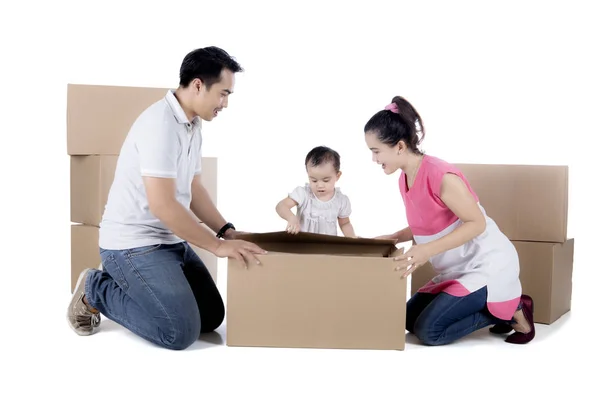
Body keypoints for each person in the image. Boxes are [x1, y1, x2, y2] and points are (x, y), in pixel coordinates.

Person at [67, 46, 266, 350]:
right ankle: (96, 289)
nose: (225, 104)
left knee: (211, 317)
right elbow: (163, 205)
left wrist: (226, 231)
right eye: (223, 93)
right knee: (178, 332)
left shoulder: (192, 125)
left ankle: (133, 288)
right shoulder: (160, 124)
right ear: (198, 85)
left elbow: (194, 189)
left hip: (169, 242)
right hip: (132, 245)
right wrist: (217, 246)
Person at [365, 96, 535, 345]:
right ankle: (499, 305)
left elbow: (476, 223)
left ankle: (513, 309)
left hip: (487, 265)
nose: (374, 159)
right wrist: (393, 237)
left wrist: (426, 251)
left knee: (429, 332)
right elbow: (429, 223)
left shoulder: (440, 174)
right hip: (456, 267)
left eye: (376, 151)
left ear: (399, 147)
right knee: (408, 321)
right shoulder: (404, 179)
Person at [276, 146, 356, 237]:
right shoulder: (303, 194)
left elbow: (344, 223)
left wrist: (353, 238)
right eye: (314, 180)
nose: (319, 185)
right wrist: (291, 218)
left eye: (326, 180)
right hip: (303, 245)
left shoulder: (341, 200)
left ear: (337, 176)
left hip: (327, 247)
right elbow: (281, 206)